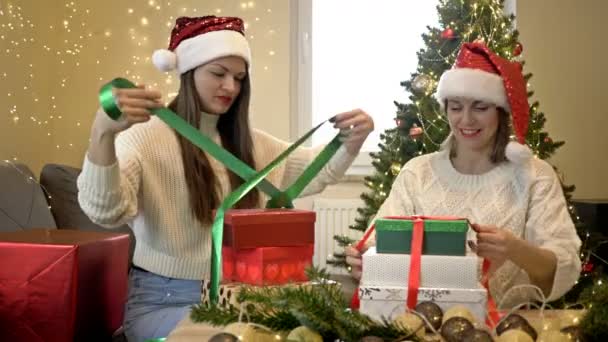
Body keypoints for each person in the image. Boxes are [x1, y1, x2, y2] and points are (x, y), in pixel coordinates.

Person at [77, 16, 374, 341]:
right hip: (163, 301)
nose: (230, 87)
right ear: (188, 72)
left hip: (239, 299)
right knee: (240, 337)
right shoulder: (143, 139)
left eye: (239, 77)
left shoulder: (252, 143)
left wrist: (352, 140)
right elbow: (106, 212)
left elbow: (318, 170)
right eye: (218, 73)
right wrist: (102, 134)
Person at [345, 42, 581, 308]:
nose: (466, 120)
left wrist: (516, 249)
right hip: (419, 325)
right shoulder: (417, 174)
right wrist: (363, 260)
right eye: (456, 107)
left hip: (507, 328)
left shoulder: (534, 176)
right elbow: (378, 244)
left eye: (480, 108)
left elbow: (563, 268)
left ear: (501, 112)